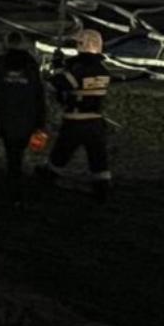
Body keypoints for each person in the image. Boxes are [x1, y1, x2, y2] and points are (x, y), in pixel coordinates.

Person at [0, 30, 47, 202]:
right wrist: (40, 121)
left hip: (5, 116)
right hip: (27, 118)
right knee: (18, 154)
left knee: (12, 154)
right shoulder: (30, 64)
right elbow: (38, 94)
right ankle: (17, 189)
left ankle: (13, 188)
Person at [44, 28, 112, 200]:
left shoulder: (80, 69)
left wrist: (56, 67)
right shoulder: (103, 70)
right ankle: (102, 191)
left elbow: (57, 85)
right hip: (96, 123)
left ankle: (46, 182)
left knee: (59, 156)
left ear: (84, 45)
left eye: (77, 43)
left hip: (75, 121)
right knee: (98, 161)